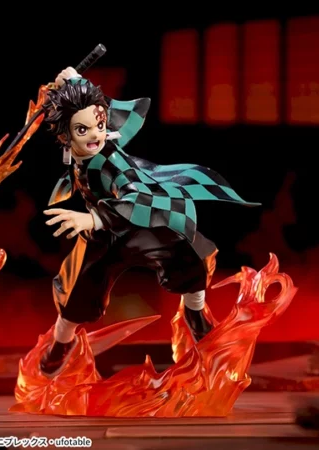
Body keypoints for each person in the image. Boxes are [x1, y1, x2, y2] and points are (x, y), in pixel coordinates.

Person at [39, 67, 260, 377]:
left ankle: (196, 315)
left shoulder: (113, 164)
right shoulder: (78, 149)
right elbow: (86, 104)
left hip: (142, 225)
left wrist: (93, 217)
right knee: (76, 289)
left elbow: (136, 197)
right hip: (106, 235)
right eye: (83, 130)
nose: (96, 135)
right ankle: (62, 344)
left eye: (100, 126)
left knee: (187, 257)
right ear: (64, 136)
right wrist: (73, 80)